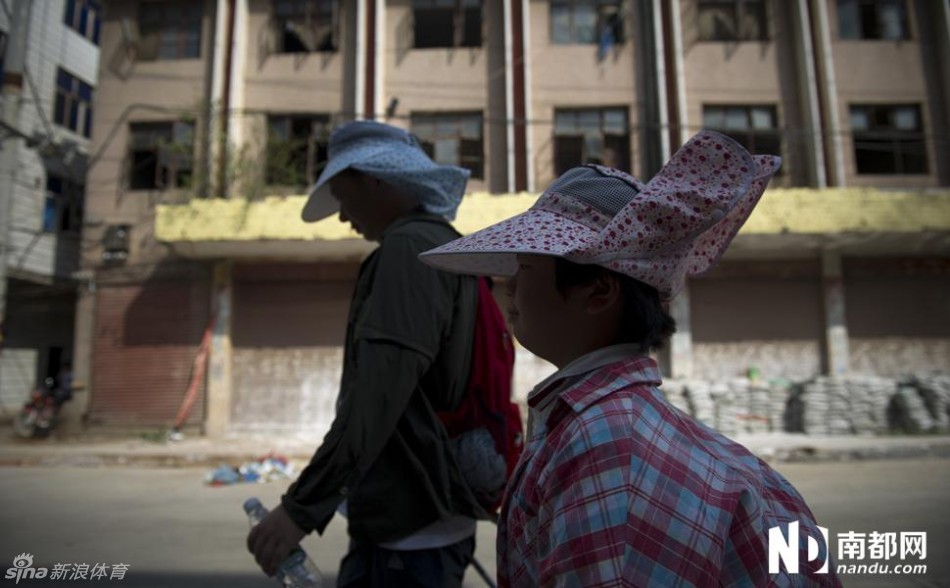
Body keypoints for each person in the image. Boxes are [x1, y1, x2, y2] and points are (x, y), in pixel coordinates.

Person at [420, 130, 843, 587]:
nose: (510, 287)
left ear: (599, 291)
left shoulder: (604, 445)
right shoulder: (613, 426)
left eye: (525, 268)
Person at [247, 120, 489, 587]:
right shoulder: (443, 244)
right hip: (425, 522)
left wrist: (301, 507)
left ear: (375, 179)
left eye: (341, 195)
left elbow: (376, 399)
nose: (341, 215)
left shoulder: (408, 249)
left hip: (408, 534)